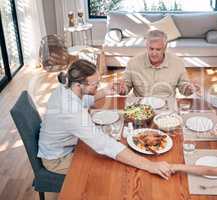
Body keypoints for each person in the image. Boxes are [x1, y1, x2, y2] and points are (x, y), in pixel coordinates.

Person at [38, 59, 172, 180]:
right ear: (79, 85)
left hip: (69, 145)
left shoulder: (67, 87)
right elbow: (103, 144)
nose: (98, 86)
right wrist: (149, 165)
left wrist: (107, 90)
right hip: (59, 158)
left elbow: (83, 100)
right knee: (111, 170)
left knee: (117, 156)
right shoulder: (72, 111)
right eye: (95, 84)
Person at [113, 29, 199, 97]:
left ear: (165, 48)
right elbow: (125, 87)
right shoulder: (133, 63)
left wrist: (190, 89)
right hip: (140, 106)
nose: (154, 53)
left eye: (158, 49)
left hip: (167, 105)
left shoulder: (177, 63)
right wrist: (121, 89)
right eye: (151, 48)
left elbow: (183, 88)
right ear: (146, 46)